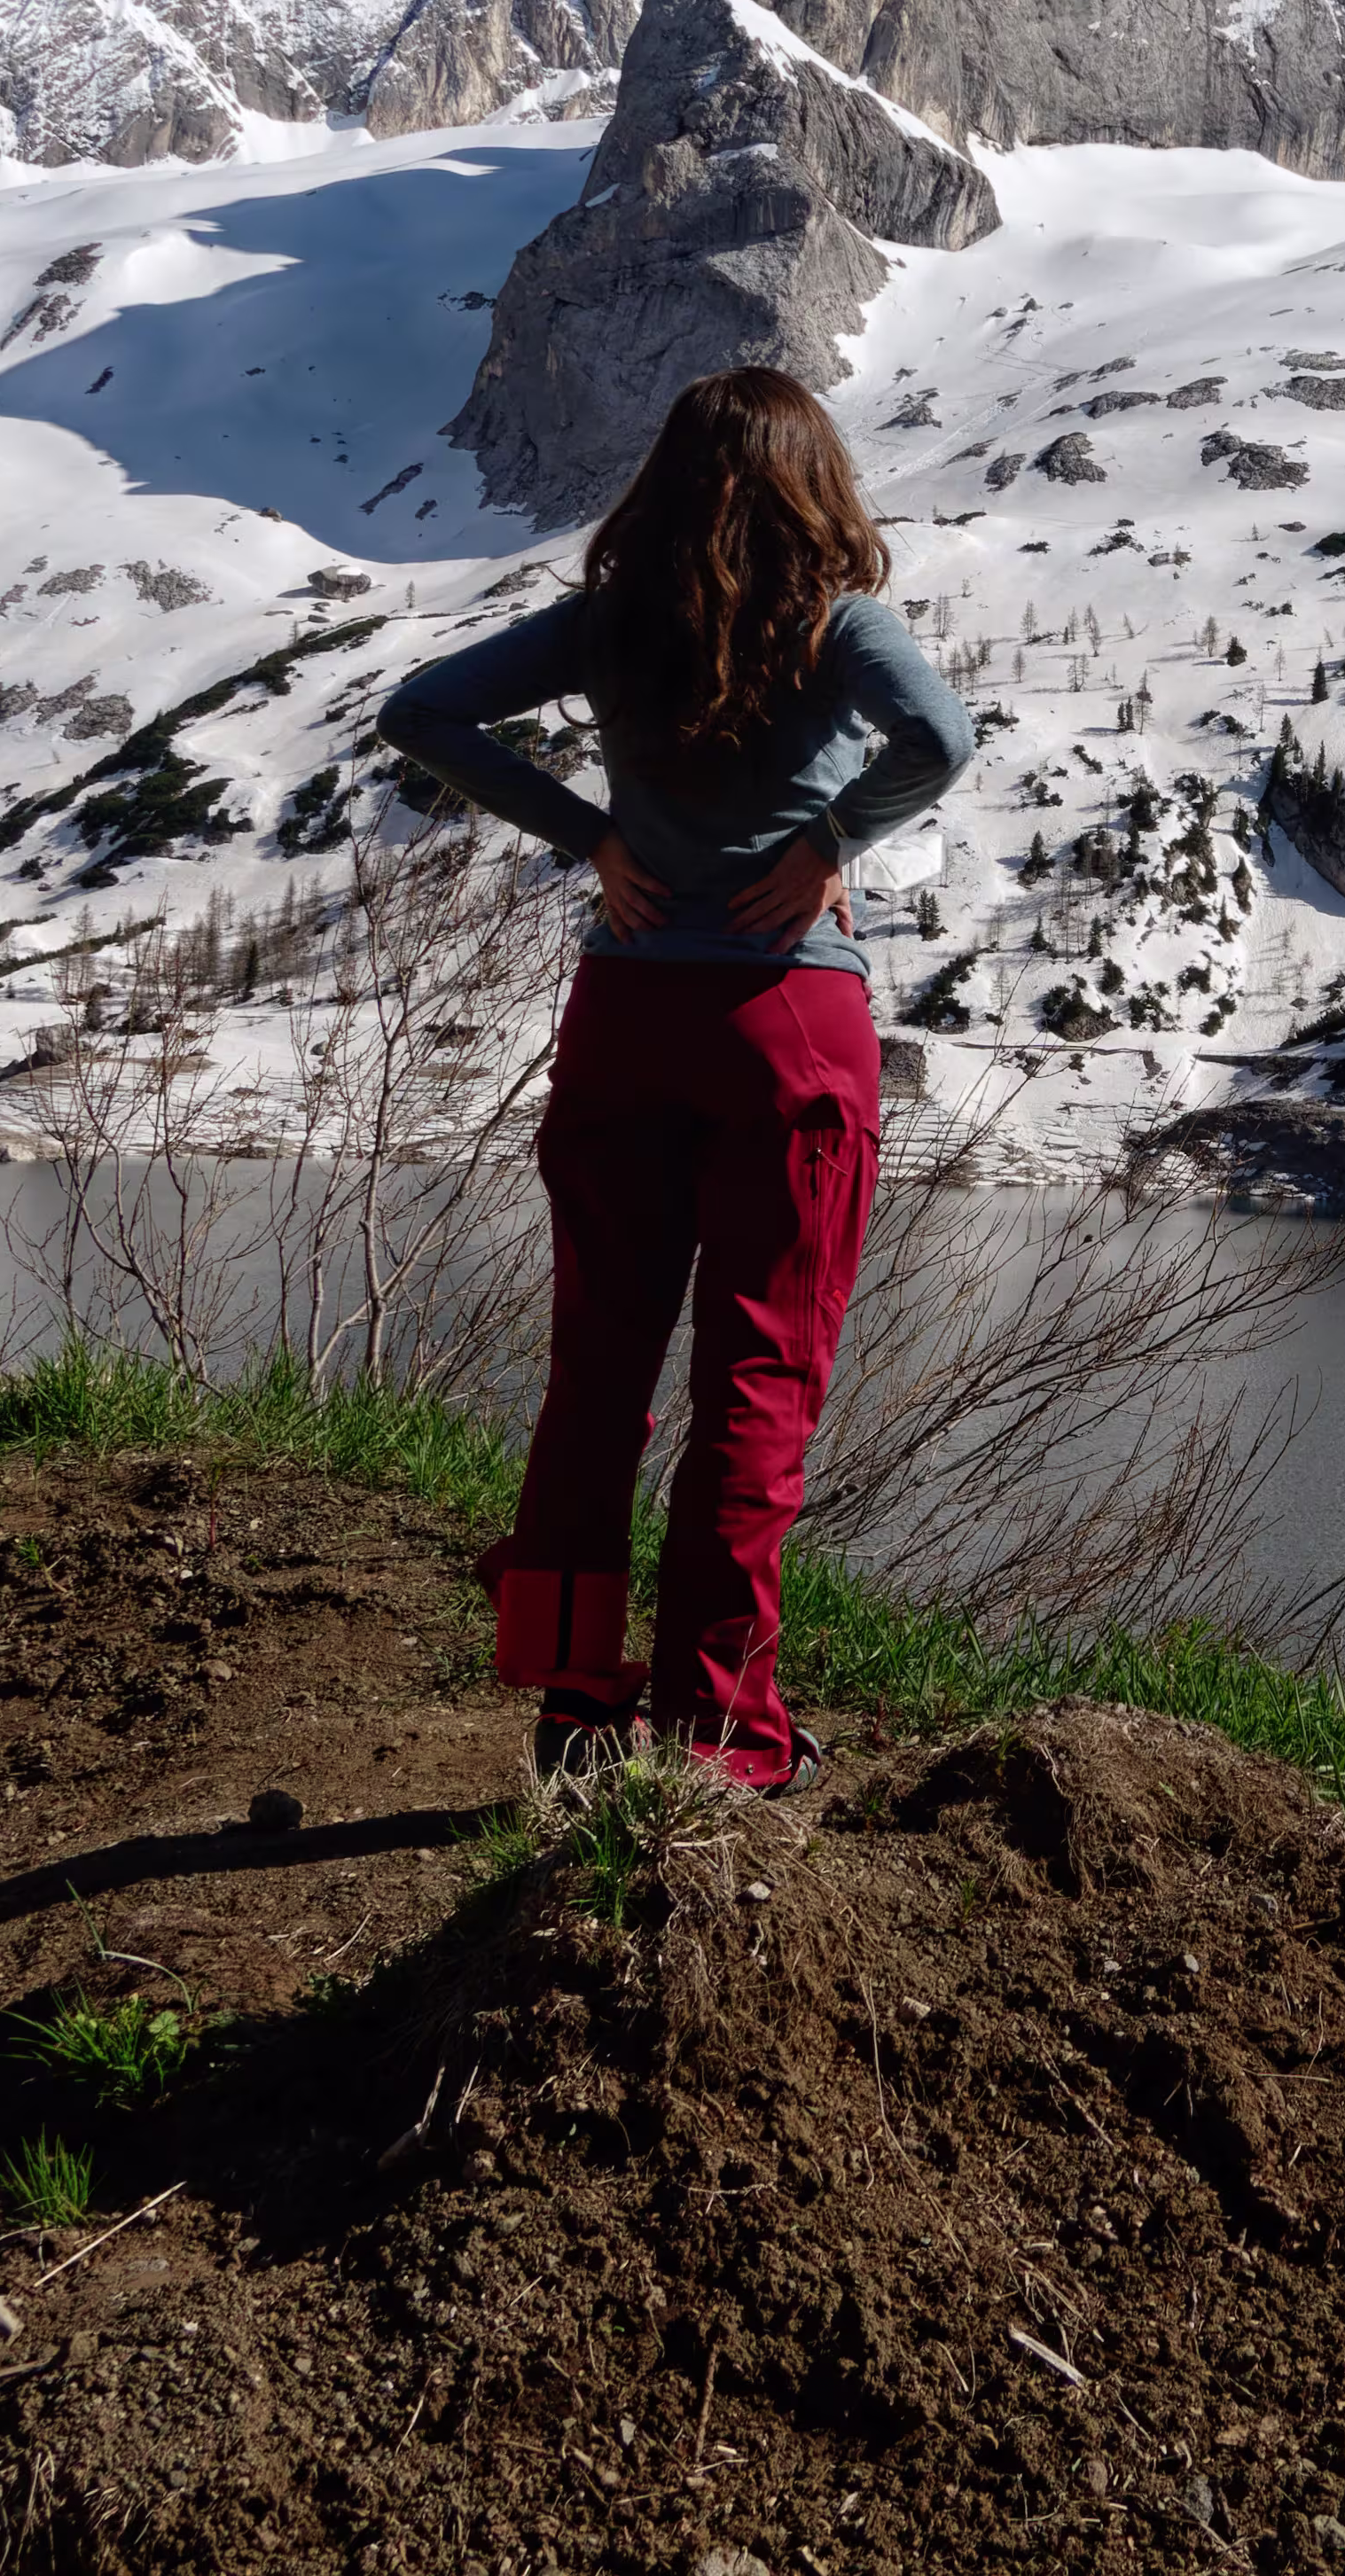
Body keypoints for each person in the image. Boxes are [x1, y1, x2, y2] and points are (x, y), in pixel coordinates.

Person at [376, 366, 974, 1794]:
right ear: (813, 483)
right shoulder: (843, 626)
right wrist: (831, 845)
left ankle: (577, 1713)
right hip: (787, 1029)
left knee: (599, 1371)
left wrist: (592, 837)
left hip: (627, 1013)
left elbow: (422, 714)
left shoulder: (609, 627)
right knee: (758, 1382)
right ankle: (720, 1735)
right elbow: (941, 743)